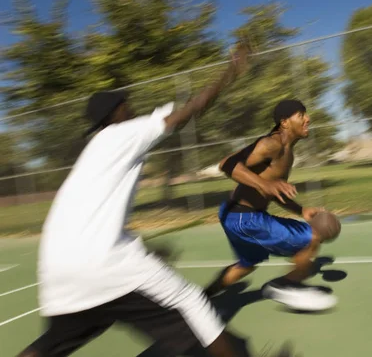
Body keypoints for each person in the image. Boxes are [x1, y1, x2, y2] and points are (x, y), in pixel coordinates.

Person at [18, 42, 293, 357]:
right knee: (192, 302)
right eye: (127, 104)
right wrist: (231, 70)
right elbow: (190, 111)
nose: (131, 107)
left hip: (57, 267)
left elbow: (91, 221)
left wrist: (144, 249)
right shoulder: (122, 132)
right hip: (104, 261)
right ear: (115, 113)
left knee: (56, 341)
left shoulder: (94, 153)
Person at [204, 99, 337, 311]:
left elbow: (273, 191)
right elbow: (227, 164)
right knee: (313, 237)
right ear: (284, 122)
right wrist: (264, 184)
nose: (308, 119)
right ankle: (283, 285)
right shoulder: (271, 144)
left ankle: (201, 298)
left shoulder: (287, 152)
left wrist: (301, 210)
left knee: (246, 265)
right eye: (301, 115)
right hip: (244, 217)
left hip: (236, 215)